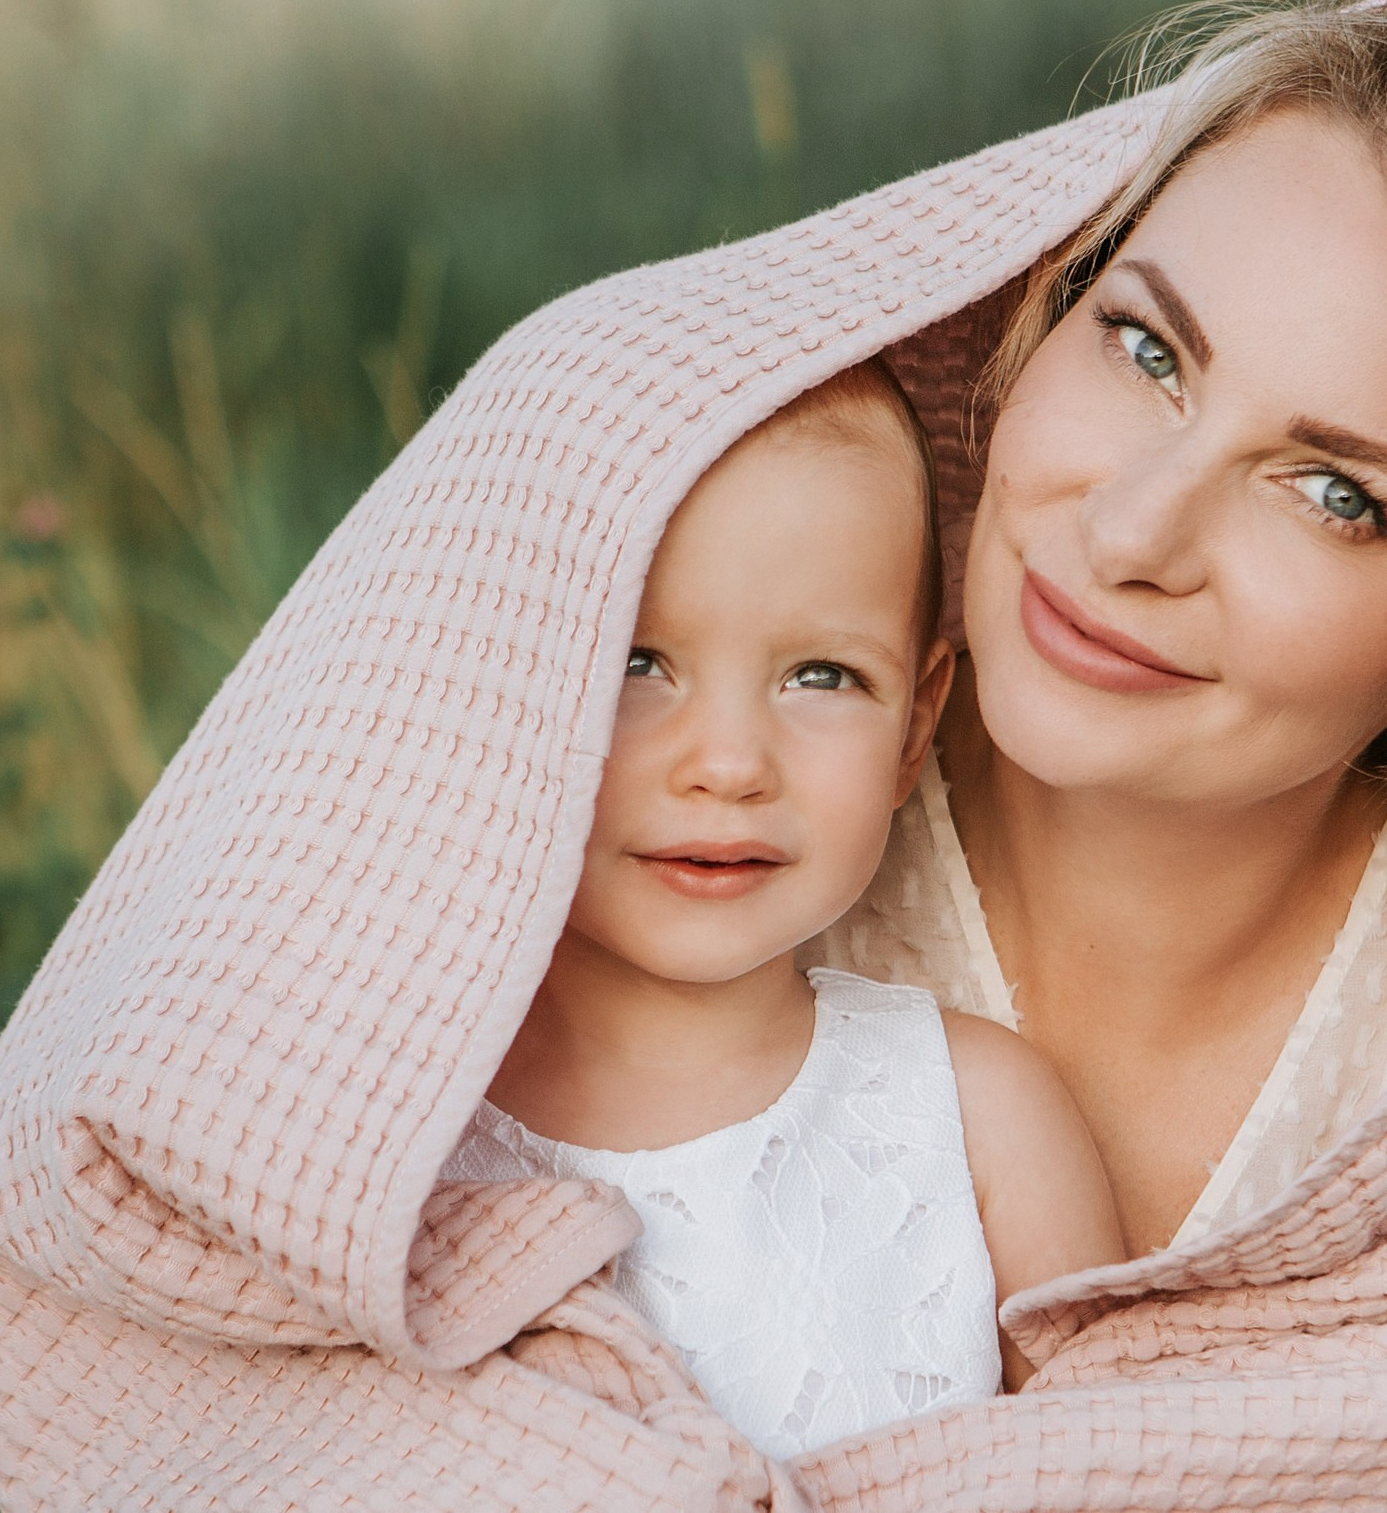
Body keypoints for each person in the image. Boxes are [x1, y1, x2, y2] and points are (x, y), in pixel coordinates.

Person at [0, 0, 1387, 1510]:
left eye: (1330, 489)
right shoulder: (632, 818)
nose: (1128, 533)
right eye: (1142, 347)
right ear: (1036, 301)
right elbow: (212, 1241)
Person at [444, 360, 1121, 1457]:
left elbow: (1114, 1472)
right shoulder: (393, 1116)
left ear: (914, 727)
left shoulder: (976, 1118)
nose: (727, 763)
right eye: (637, 661)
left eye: (820, 675)